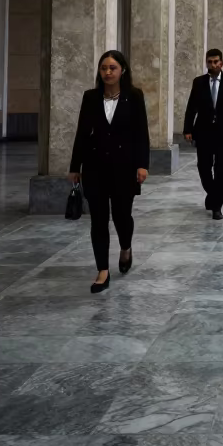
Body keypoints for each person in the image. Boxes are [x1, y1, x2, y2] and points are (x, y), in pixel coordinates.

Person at [68, 50, 150, 294]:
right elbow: (82, 133)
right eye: (104, 68)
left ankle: (126, 246)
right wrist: (75, 167)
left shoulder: (134, 96)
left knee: (122, 217)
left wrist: (142, 164)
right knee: (98, 220)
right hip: (95, 168)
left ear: (122, 70)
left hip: (125, 168)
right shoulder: (91, 97)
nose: (107, 72)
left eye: (112, 67)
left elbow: (141, 133)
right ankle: (102, 270)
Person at [183, 48, 223, 221]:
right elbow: (191, 107)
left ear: (221, 63)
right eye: (209, 62)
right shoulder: (198, 82)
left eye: (215, 62)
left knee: (220, 168)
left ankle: (217, 206)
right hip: (203, 131)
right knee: (203, 167)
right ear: (206, 63)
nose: (212, 65)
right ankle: (212, 193)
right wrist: (187, 129)